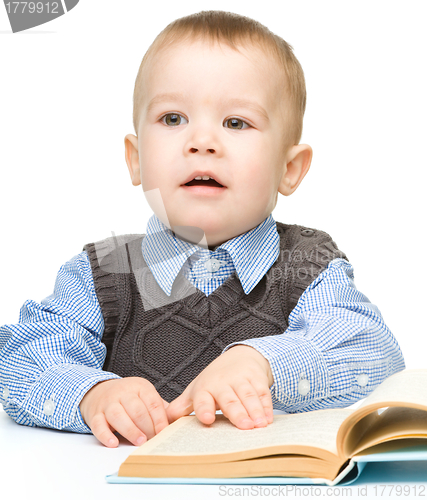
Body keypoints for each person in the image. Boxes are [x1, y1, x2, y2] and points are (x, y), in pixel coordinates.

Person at [0, 10, 405, 449]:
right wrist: (91, 394)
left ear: (289, 169)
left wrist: (264, 363)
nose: (201, 141)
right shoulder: (101, 275)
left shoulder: (307, 265)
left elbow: (374, 352)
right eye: (173, 119)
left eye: (236, 123)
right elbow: (23, 356)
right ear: (135, 159)